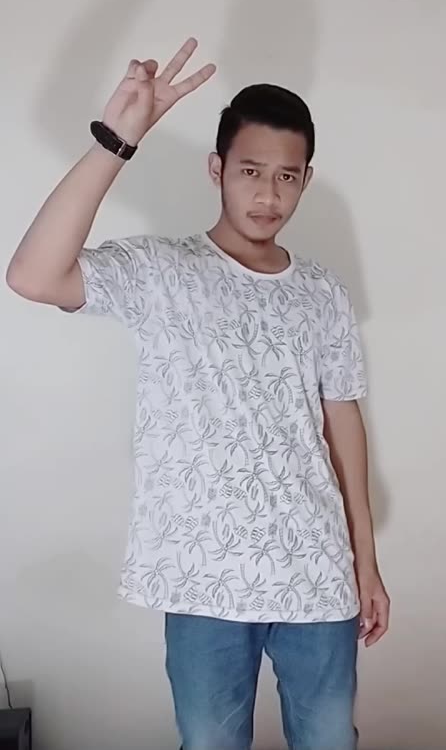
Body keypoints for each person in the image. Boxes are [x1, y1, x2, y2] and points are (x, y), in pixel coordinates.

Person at [7, 38, 390, 750]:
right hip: (202, 580)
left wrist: (366, 562)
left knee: (331, 741)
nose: (268, 195)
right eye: (250, 171)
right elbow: (32, 275)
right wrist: (117, 139)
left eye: (287, 176)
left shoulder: (322, 292)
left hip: (316, 571)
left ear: (306, 180)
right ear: (217, 169)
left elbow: (344, 423)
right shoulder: (162, 272)